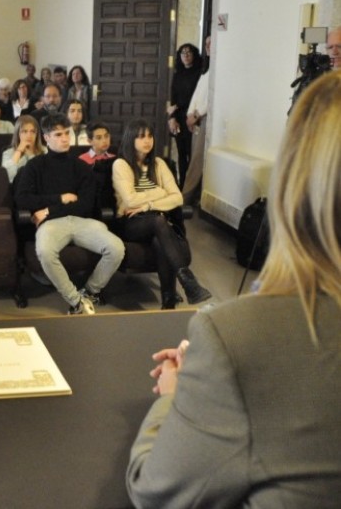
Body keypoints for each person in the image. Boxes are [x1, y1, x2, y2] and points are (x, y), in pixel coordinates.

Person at [126, 71, 341, 508]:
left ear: (293, 183)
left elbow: (155, 489)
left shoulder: (240, 337)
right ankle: (184, 282)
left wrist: (177, 394)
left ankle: (181, 284)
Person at [15, 113, 125, 314]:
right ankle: (75, 302)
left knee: (116, 248)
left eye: (66, 133)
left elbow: (85, 205)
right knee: (45, 252)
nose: (65, 138)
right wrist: (60, 198)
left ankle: (90, 292)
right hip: (51, 225)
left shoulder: (81, 167)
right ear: (46, 137)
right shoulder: (34, 166)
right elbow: (22, 199)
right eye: (58, 134)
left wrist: (49, 209)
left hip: (79, 220)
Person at [112, 119, 211, 309]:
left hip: (156, 220)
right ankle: (187, 281)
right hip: (131, 222)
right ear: (130, 139)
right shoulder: (121, 164)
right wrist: (160, 192)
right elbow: (131, 201)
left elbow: (178, 198)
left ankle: (168, 300)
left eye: (149, 136)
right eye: (141, 137)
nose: (147, 141)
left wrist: (148, 205)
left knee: (160, 238)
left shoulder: (158, 164)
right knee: (158, 222)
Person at [166, 43, 202, 189]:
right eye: (182, 53)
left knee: (192, 154)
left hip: (193, 118)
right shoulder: (177, 75)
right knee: (181, 154)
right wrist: (172, 118)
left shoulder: (200, 74)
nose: (185, 55)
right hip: (179, 117)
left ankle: (191, 188)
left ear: (194, 54)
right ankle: (181, 186)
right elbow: (173, 98)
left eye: (189, 52)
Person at [181, 35, 212, 204]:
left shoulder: (219, 69)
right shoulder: (206, 70)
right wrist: (190, 115)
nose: (208, 47)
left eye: (211, 44)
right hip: (195, 119)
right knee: (194, 158)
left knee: (197, 160)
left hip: (203, 119)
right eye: (206, 44)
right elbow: (197, 95)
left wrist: (196, 115)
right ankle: (191, 197)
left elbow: (211, 99)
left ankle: (184, 198)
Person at [2, 114, 45, 182]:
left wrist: (30, 154)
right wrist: (19, 151)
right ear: (18, 134)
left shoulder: (45, 151)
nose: (29, 135)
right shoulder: (8, 153)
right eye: (24, 131)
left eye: (33, 131)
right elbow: (7, 176)